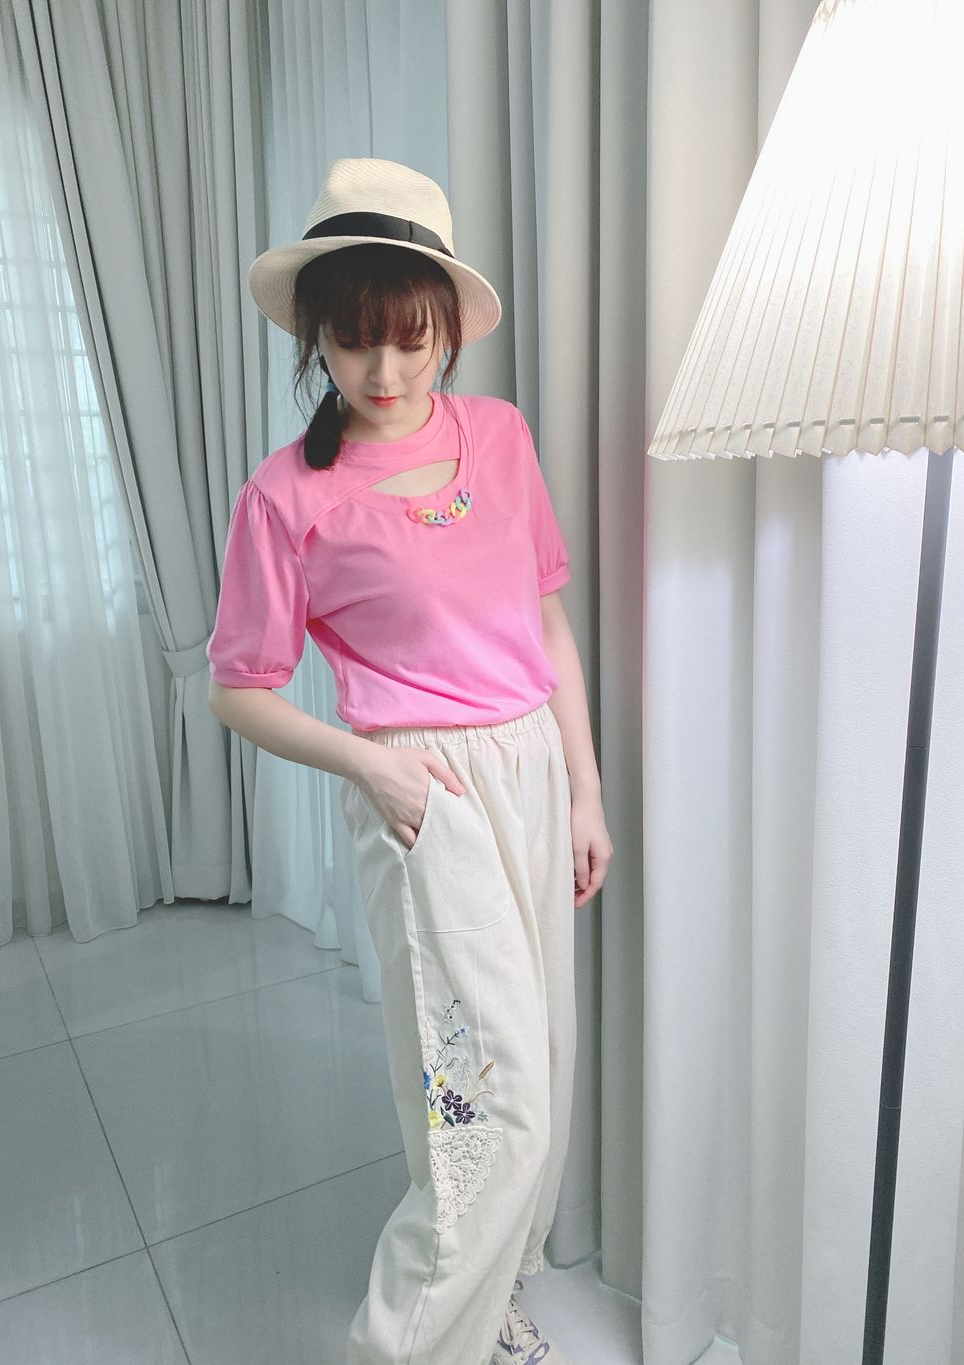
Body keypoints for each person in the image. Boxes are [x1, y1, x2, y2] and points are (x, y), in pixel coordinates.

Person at [206, 157, 613, 1365]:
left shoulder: (498, 437)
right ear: (317, 341)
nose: (383, 371)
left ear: (446, 329)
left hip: (533, 768)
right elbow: (237, 689)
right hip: (420, 791)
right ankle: (409, 1345)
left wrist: (586, 791)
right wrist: (369, 767)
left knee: (544, 1057)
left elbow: (546, 621)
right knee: (481, 1095)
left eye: (409, 339)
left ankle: (490, 1303)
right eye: (352, 340)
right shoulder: (288, 497)